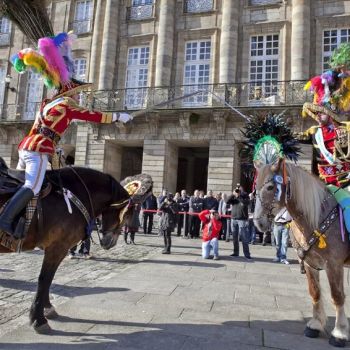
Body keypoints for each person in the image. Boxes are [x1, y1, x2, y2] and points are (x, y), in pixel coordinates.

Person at [0, 32, 133, 238]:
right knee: (32, 186)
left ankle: (20, 222)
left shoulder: (50, 104)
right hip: (37, 150)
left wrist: (55, 150)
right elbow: (91, 115)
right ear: (70, 91)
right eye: (78, 92)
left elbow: (44, 128)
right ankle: (6, 220)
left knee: (18, 185)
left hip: (29, 147)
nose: (79, 95)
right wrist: (117, 116)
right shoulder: (66, 104)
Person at [226, 185, 252, 260]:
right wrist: (232, 194)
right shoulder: (234, 197)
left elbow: (247, 203)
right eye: (237, 189)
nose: (238, 191)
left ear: (242, 190)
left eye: (239, 189)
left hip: (242, 220)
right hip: (233, 219)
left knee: (244, 237)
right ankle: (236, 252)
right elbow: (227, 201)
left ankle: (247, 254)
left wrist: (239, 196)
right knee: (234, 237)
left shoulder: (245, 196)